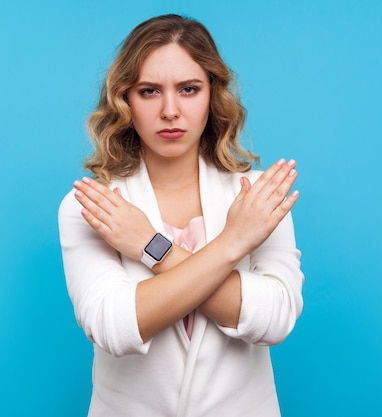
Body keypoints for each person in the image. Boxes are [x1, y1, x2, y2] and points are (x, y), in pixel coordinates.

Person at [58, 14, 304, 417]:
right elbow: (114, 328)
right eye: (149, 91)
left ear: (212, 94)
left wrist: (152, 247)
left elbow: (274, 320)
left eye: (188, 89)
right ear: (125, 100)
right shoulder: (92, 205)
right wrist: (233, 243)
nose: (170, 110)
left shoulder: (257, 198)